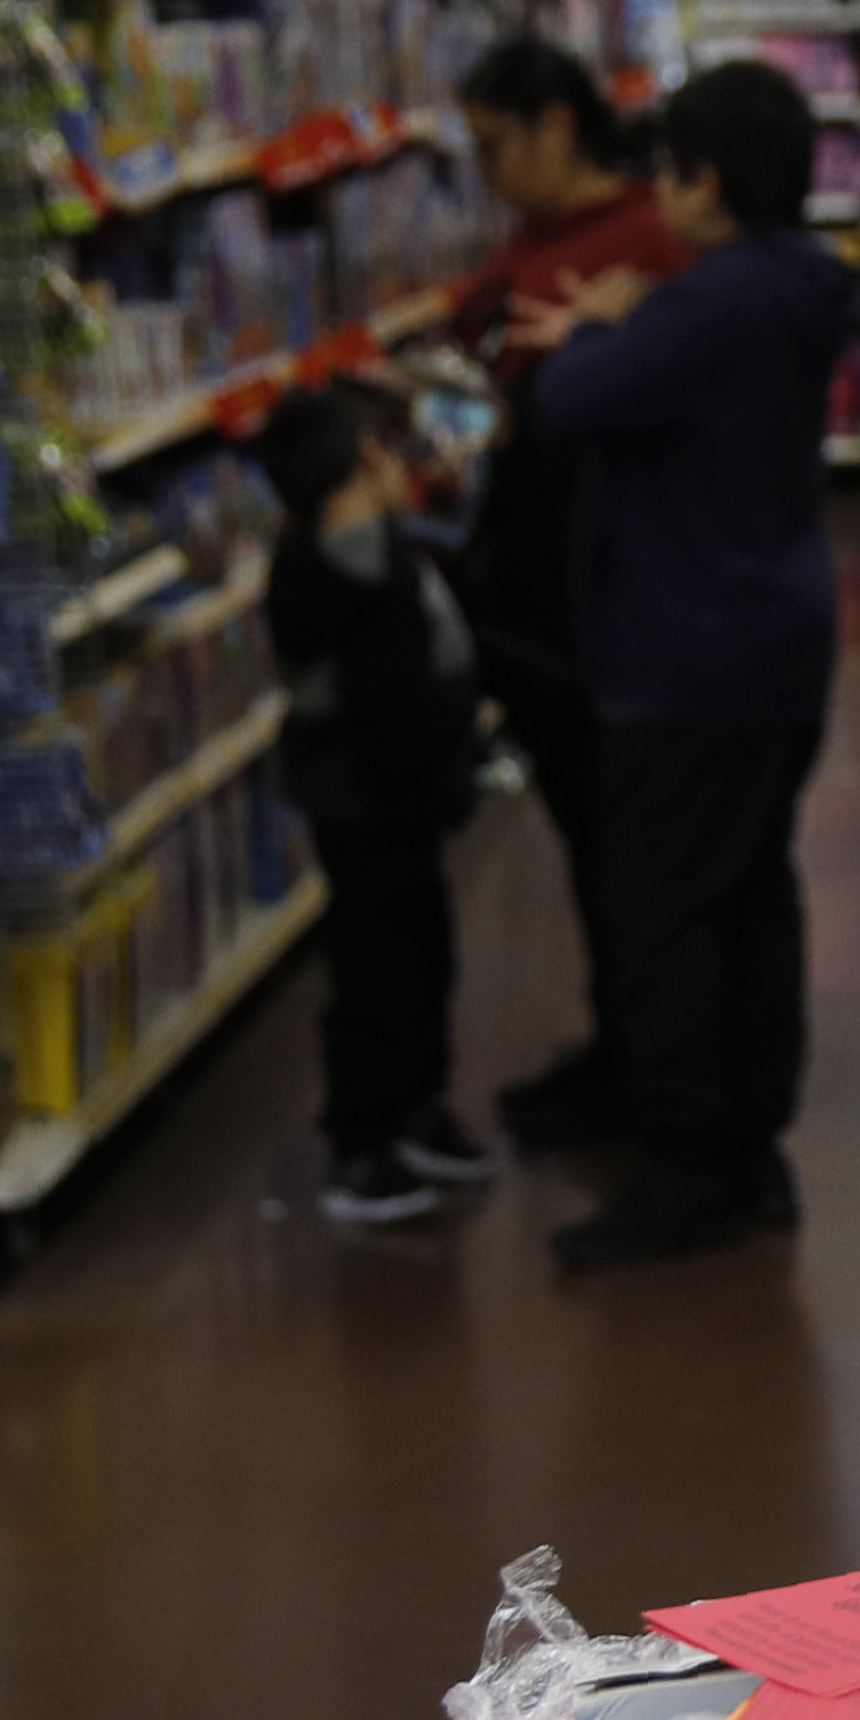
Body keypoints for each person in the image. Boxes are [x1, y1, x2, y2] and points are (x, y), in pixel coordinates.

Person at [520, 64, 859, 1275]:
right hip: (770, 633)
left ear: (701, 183)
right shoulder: (792, 290)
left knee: (666, 908)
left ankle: (687, 1165)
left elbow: (569, 396)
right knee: (749, 894)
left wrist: (608, 326)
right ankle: (746, 1144)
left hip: (687, 650)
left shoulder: (713, 304)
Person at [451, 33, 682, 1152]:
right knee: (595, 846)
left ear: (556, 127)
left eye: (495, 145)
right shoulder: (530, 245)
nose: (484, 170)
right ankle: (623, 1043)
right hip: (538, 602)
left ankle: (656, 1064)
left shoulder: (647, 247)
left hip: (615, 599)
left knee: (633, 846)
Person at [252, 385, 492, 1226]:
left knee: (421, 951)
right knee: (376, 968)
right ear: (361, 464)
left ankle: (417, 1106)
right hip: (370, 802)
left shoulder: (367, 548)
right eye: (384, 448)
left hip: (400, 800)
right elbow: (389, 699)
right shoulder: (344, 570)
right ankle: (364, 1143)